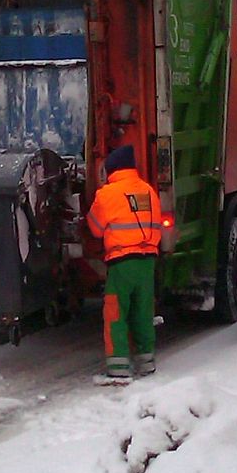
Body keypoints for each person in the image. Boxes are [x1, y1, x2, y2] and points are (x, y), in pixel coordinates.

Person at [87, 144, 162, 381]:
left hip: (121, 263)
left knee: (116, 313)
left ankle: (118, 368)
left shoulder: (107, 194)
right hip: (148, 261)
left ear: (111, 170)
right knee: (142, 312)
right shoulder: (148, 191)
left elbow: (95, 229)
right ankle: (146, 362)